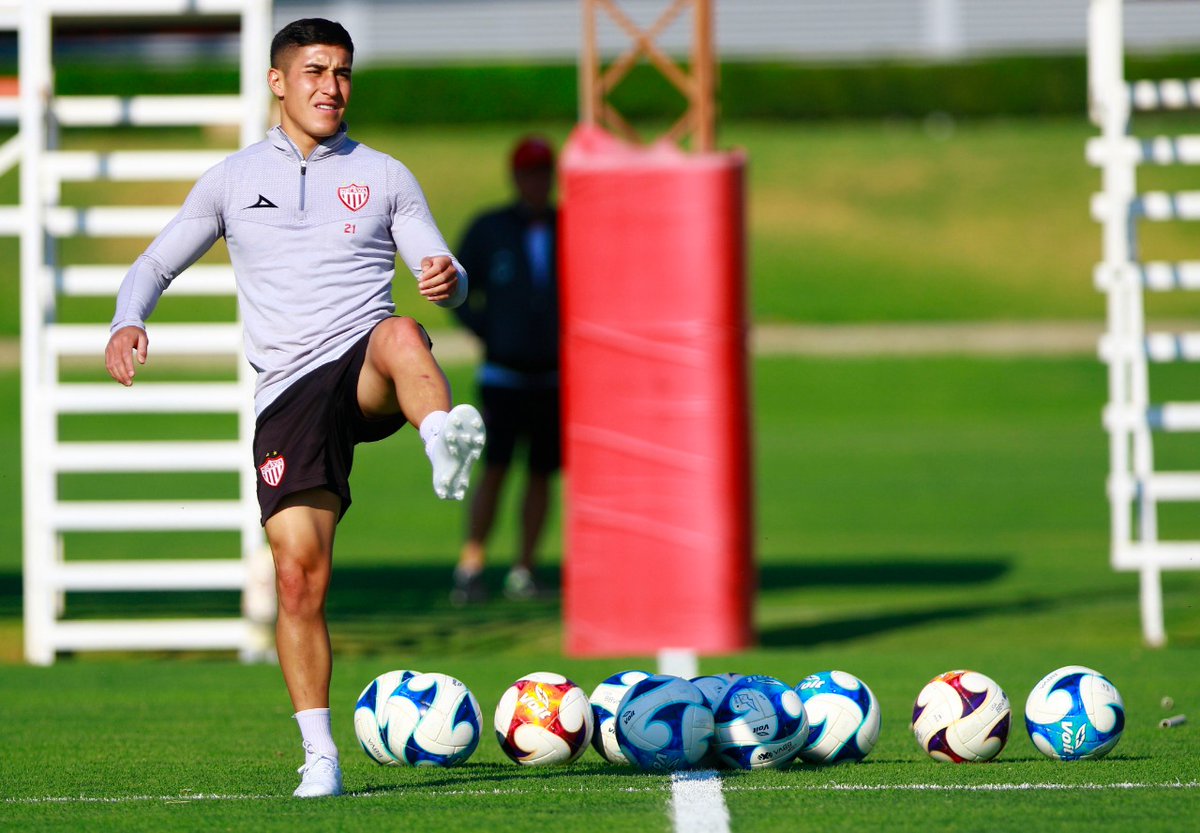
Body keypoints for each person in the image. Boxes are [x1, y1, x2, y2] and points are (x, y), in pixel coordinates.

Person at [103, 18, 485, 799]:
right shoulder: (231, 180)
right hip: (287, 393)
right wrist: (126, 320)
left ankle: (443, 433)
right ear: (278, 81)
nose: (331, 87)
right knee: (299, 580)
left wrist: (453, 280)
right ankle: (321, 755)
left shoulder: (384, 175)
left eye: (343, 73)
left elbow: (439, 264)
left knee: (402, 330)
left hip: (363, 364)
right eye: (315, 71)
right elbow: (152, 263)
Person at [450, 136, 560, 605]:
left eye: (543, 172)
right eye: (529, 173)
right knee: (494, 468)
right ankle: (472, 562)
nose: (537, 182)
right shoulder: (490, 228)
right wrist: (488, 329)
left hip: (555, 375)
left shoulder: (568, 226)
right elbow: (454, 286)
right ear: (515, 177)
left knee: (541, 473)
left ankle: (525, 567)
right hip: (503, 374)